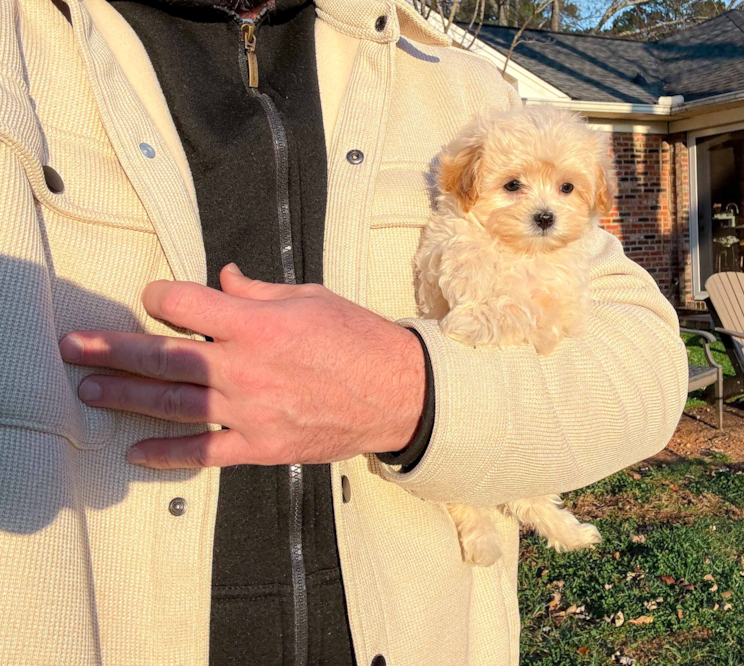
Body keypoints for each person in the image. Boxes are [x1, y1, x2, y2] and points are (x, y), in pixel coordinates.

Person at [0, 0, 688, 664]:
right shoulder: (21, 49)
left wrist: (407, 392)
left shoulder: (465, 87)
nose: (546, 206)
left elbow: (650, 372)